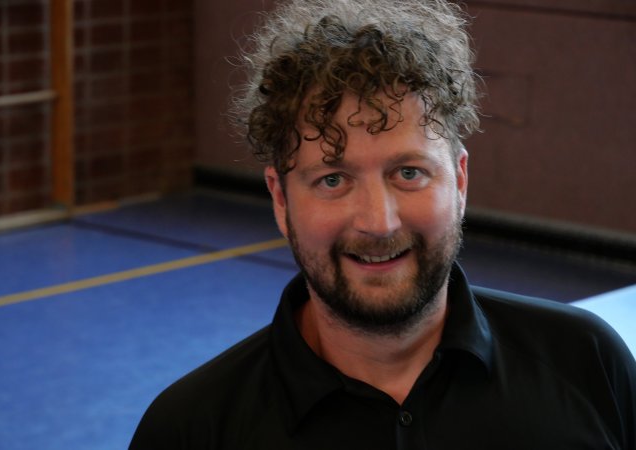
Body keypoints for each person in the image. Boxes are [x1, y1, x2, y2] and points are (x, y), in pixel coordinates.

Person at [129, 0, 636, 448]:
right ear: (280, 200)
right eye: (332, 180)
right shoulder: (192, 429)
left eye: (409, 173)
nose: (379, 222)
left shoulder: (589, 366)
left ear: (459, 181)